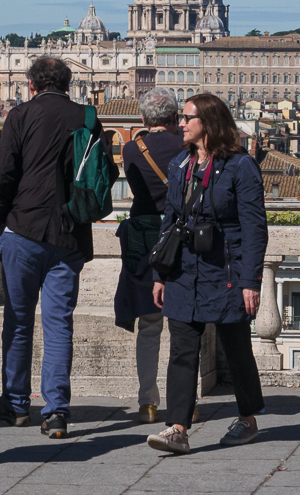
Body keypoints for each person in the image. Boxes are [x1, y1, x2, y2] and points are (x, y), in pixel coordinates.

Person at [0, 56, 117, 438]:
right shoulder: (87, 117)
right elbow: (107, 172)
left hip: (24, 230)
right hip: (70, 233)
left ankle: (16, 404)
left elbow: (1, 174)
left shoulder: (20, 116)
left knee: (18, 321)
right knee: (59, 325)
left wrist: (1, 219)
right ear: (69, 83)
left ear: (31, 84)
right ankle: (56, 411)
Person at [145, 94, 267, 455]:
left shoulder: (241, 166)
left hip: (226, 271)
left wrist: (250, 281)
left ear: (208, 122)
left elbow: (254, 228)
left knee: (236, 348)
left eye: (187, 118)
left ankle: (247, 417)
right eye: (181, 118)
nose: (180, 124)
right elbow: (170, 221)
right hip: (184, 271)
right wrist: (161, 274)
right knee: (182, 351)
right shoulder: (180, 164)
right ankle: (178, 428)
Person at [114, 87, 184, 424]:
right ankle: (185, 400)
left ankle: (148, 402)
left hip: (144, 238)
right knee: (185, 324)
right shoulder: (187, 147)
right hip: (179, 236)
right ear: (176, 117)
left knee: (149, 324)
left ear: (143, 119)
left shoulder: (131, 148)